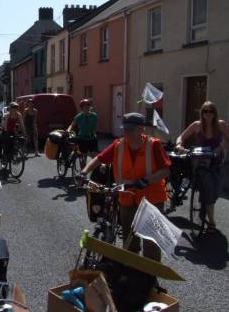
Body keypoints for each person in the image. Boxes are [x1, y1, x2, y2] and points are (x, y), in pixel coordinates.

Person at [78, 113, 170, 262]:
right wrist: (83, 172)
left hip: (151, 199)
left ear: (140, 129)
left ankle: (150, 278)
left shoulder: (153, 145)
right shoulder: (118, 145)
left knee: (150, 244)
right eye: (125, 129)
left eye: (130, 129)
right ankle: (131, 275)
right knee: (129, 241)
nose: (126, 133)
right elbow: (99, 158)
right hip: (126, 198)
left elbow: (165, 170)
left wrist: (146, 180)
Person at [175, 101, 229, 233]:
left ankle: (204, 205)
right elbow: (181, 137)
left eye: (211, 111)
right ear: (202, 113)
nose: (208, 114)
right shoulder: (197, 125)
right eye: (205, 111)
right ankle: (211, 222)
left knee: (214, 190)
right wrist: (179, 145)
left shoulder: (221, 125)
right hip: (200, 160)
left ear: (214, 113)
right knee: (208, 188)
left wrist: (221, 147)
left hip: (216, 160)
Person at [68, 99, 98, 163]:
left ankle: (94, 169)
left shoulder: (94, 116)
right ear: (82, 108)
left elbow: (95, 126)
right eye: (84, 106)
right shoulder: (79, 116)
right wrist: (68, 131)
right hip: (82, 137)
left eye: (88, 106)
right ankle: (83, 168)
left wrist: (95, 133)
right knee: (84, 155)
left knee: (95, 155)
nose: (86, 107)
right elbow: (72, 125)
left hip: (91, 137)